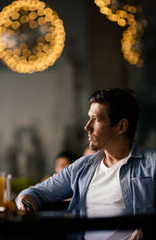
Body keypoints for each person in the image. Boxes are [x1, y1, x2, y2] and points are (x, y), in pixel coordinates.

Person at [16, 88, 156, 239]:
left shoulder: (152, 164)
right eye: (89, 118)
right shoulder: (82, 167)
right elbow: (34, 193)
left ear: (121, 126)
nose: (87, 127)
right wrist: (25, 204)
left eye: (96, 119)